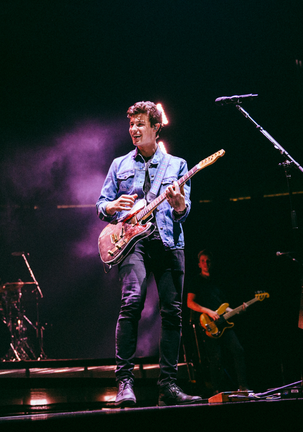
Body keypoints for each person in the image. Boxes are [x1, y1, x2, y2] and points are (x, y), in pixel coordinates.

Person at [96, 101, 201, 407]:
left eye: (140, 123)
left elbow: (183, 212)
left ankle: (168, 386)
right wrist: (113, 206)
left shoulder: (177, 166)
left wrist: (179, 204)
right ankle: (124, 384)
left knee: (172, 312)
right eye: (131, 124)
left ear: (156, 127)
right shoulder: (119, 165)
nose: (134, 130)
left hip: (169, 243)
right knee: (131, 303)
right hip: (133, 243)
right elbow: (102, 204)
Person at [185, 250, 249, 393]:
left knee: (238, 350)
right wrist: (208, 311)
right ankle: (218, 391)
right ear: (198, 264)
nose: (206, 263)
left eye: (208, 261)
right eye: (203, 261)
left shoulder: (218, 281)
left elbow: (225, 306)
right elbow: (190, 303)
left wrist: (238, 309)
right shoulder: (195, 281)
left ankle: (243, 386)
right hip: (208, 324)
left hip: (223, 323)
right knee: (216, 359)